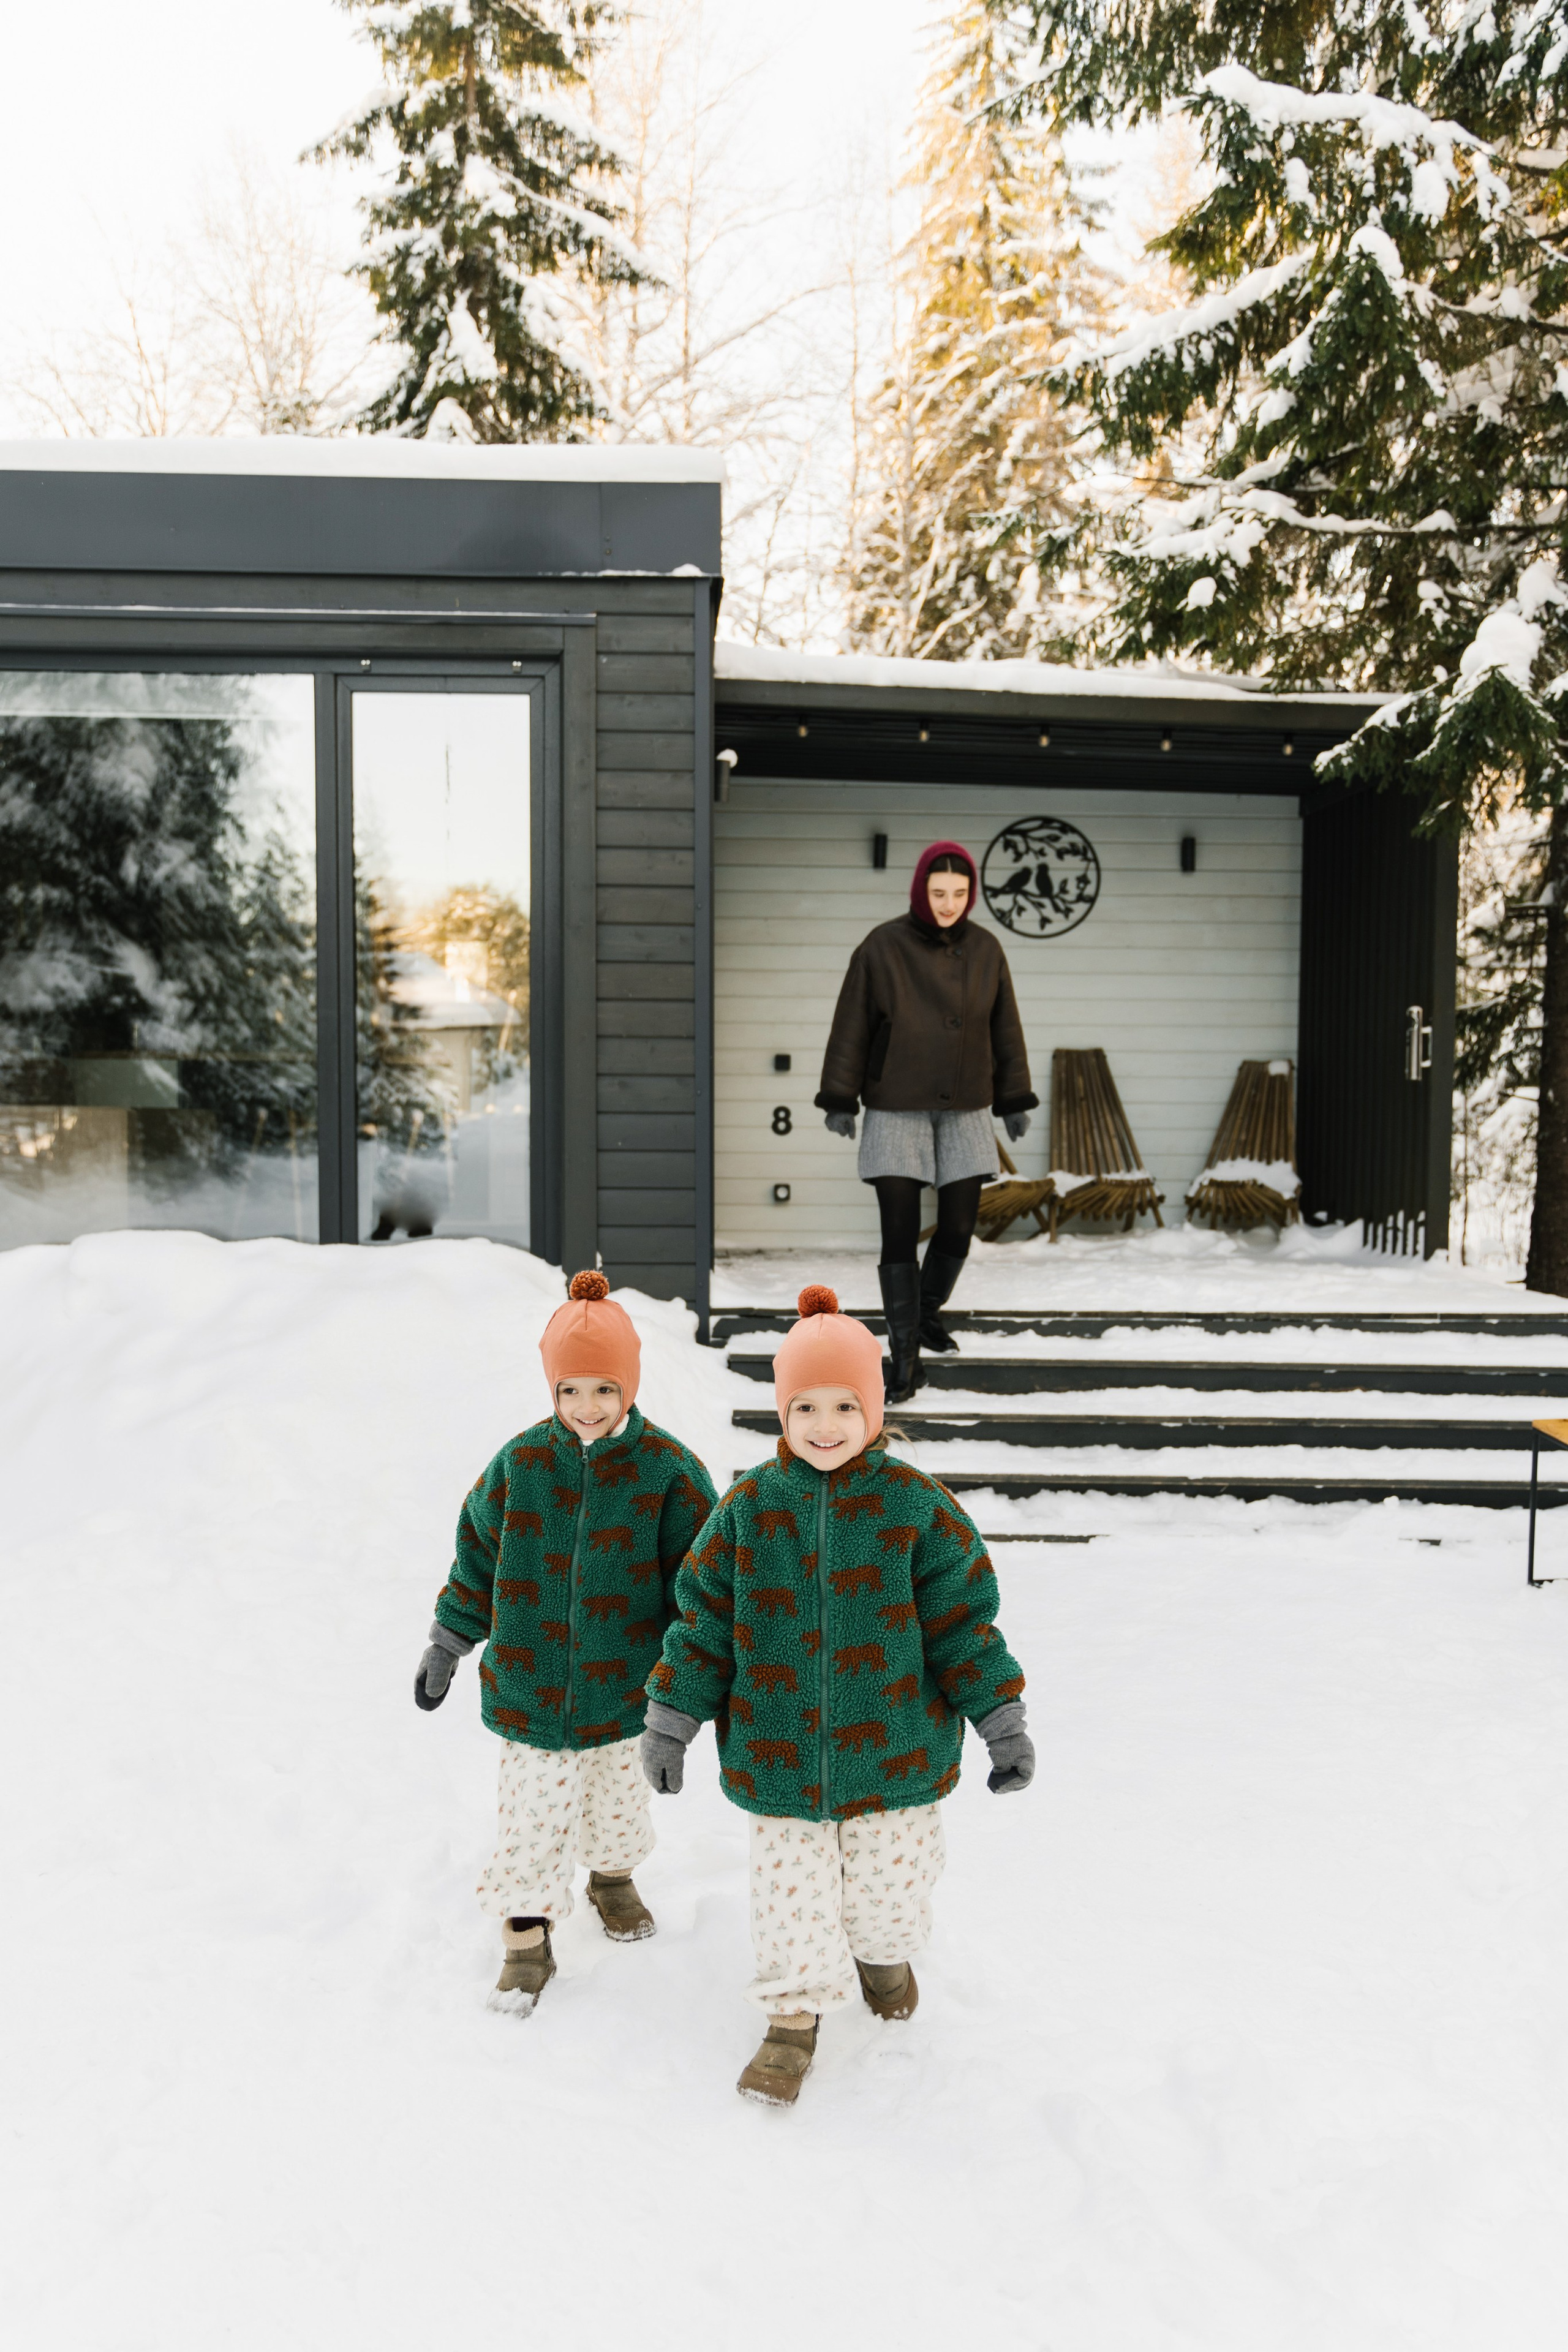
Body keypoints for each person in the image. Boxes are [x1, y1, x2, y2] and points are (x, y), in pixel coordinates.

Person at [639, 1284, 1034, 2108]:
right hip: (780, 1759)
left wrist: (1001, 1720)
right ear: (782, 1413)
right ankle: (791, 2015)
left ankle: (883, 1953)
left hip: (896, 1754)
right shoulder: (749, 1511)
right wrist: (671, 1720)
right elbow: (701, 1622)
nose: (824, 1425)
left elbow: (966, 1625)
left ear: (876, 1410)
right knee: (790, 1898)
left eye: (844, 1406)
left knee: (890, 1894)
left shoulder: (915, 1511)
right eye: (805, 1406)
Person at [414, 1270, 717, 2015]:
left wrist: (699, 1678)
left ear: (631, 1388)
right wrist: (449, 1642)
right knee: (529, 1818)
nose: (587, 1408)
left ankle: (611, 1877)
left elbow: (705, 1585)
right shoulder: (520, 1467)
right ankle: (524, 1934)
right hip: (529, 1684)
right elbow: (476, 1561)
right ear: (551, 1390)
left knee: (617, 1805)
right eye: (570, 1391)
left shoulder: (668, 1474)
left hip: (626, 1690)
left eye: (604, 1391)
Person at [815, 839, 1036, 1401]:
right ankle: (905, 1357)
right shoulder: (882, 946)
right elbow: (852, 1025)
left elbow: (1004, 1027)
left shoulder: (986, 949)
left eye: (960, 894)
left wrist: (1013, 1100)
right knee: (899, 1232)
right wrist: (841, 1098)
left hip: (965, 1107)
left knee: (959, 1226)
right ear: (920, 890)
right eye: (939, 893)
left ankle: (927, 1313)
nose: (949, 904)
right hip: (895, 1106)